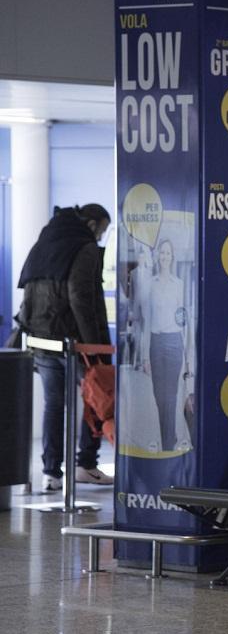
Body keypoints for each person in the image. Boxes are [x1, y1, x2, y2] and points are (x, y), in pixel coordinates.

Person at [16, 204, 114, 489]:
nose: (102, 237)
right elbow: (81, 297)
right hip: (75, 341)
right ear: (93, 224)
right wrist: (94, 346)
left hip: (42, 338)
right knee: (96, 399)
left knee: (53, 405)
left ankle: (51, 472)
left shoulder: (45, 243)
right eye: (104, 229)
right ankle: (86, 463)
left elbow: (28, 291)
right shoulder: (84, 248)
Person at [142, 238, 186, 452]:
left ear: (172, 256)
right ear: (157, 256)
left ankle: (168, 443)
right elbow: (146, 320)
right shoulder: (151, 284)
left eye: (168, 253)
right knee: (159, 396)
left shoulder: (179, 285)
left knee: (171, 394)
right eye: (162, 253)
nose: (165, 257)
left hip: (174, 341)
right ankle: (169, 436)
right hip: (156, 343)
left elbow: (183, 319)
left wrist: (187, 353)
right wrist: (144, 356)